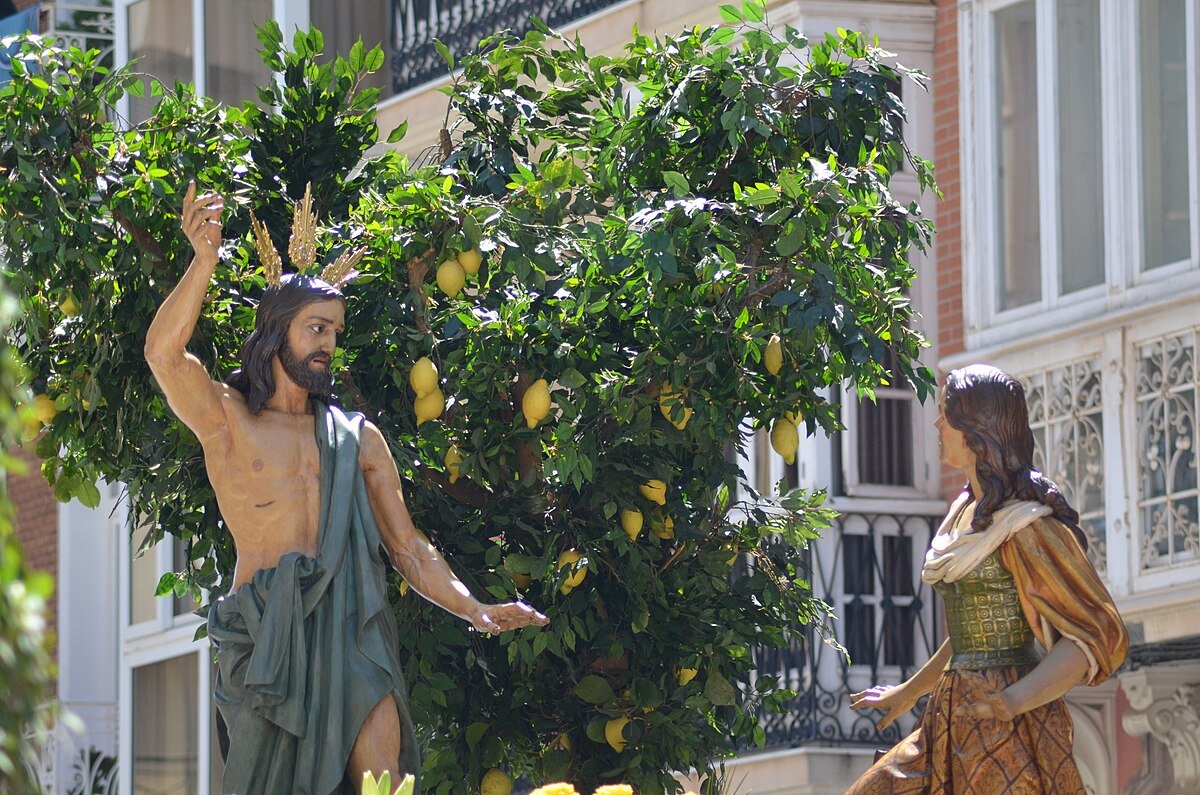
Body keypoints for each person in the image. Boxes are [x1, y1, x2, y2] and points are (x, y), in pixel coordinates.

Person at [144, 182, 548, 795]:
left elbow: (407, 548)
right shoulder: (228, 420)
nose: (328, 344)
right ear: (277, 332)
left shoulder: (357, 440)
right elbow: (163, 356)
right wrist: (203, 263)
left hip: (352, 629)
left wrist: (473, 607)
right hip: (268, 641)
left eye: (334, 331)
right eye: (315, 328)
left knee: (381, 776)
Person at [846, 364, 1128, 794]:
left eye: (946, 414)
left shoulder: (1027, 526)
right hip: (953, 707)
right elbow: (968, 634)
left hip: (1006, 721)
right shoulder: (965, 518)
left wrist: (1014, 701)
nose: (937, 424)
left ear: (974, 430)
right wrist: (910, 691)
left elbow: (1094, 634)